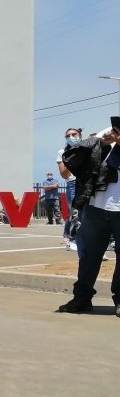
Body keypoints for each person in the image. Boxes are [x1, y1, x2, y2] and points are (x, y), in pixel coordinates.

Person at [57, 128, 120, 317]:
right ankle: (82, 298)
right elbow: (75, 157)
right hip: (96, 208)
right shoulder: (107, 133)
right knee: (89, 257)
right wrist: (100, 143)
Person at [58, 128, 83, 250]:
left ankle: (87, 243)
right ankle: (73, 241)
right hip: (73, 184)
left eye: (74, 134)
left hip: (87, 183)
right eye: (68, 135)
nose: (71, 137)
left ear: (80, 136)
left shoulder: (86, 149)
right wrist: (71, 158)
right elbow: (64, 175)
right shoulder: (62, 152)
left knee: (88, 214)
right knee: (75, 214)